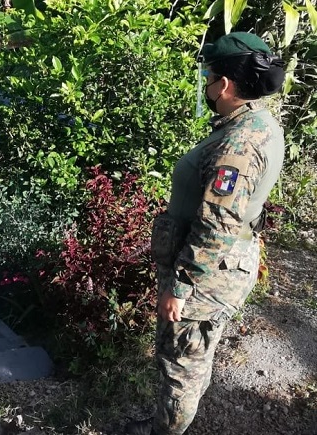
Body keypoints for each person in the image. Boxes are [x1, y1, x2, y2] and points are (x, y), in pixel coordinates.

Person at [125, 32, 286, 435]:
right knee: (194, 357)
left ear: (225, 85)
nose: (207, 86)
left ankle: (169, 428)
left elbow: (218, 223)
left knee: (181, 363)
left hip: (204, 275)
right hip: (224, 265)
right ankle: (169, 419)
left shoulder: (239, 143)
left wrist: (180, 287)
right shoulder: (260, 122)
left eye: (210, 78)